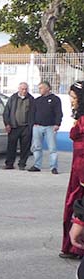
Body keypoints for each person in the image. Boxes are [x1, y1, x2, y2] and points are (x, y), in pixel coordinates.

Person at [60, 81, 84, 260]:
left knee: (76, 204)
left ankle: (76, 247)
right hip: (77, 168)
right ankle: (71, 246)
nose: (71, 100)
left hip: (81, 169)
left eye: (74, 97)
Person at [29, 81, 63, 174]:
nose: (39, 90)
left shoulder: (55, 99)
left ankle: (53, 167)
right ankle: (37, 165)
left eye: (41, 88)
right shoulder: (37, 100)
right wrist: (33, 124)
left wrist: (57, 124)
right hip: (37, 126)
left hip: (50, 127)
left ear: (47, 88)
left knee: (52, 148)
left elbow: (58, 112)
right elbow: (32, 113)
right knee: (37, 147)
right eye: (39, 88)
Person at [2, 82, 35, 170]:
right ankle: (9, 164)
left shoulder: (31, 99)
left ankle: (22, 164)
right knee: (11, 146)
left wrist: (32, 125)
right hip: (14, 126)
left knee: (25, 147)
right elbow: (6, 112)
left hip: (26, 127)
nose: (24, 91)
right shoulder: (13, 98)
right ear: (19, 89)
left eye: (26, 89)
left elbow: (34, 112)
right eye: (22, 89)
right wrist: (7, 124)